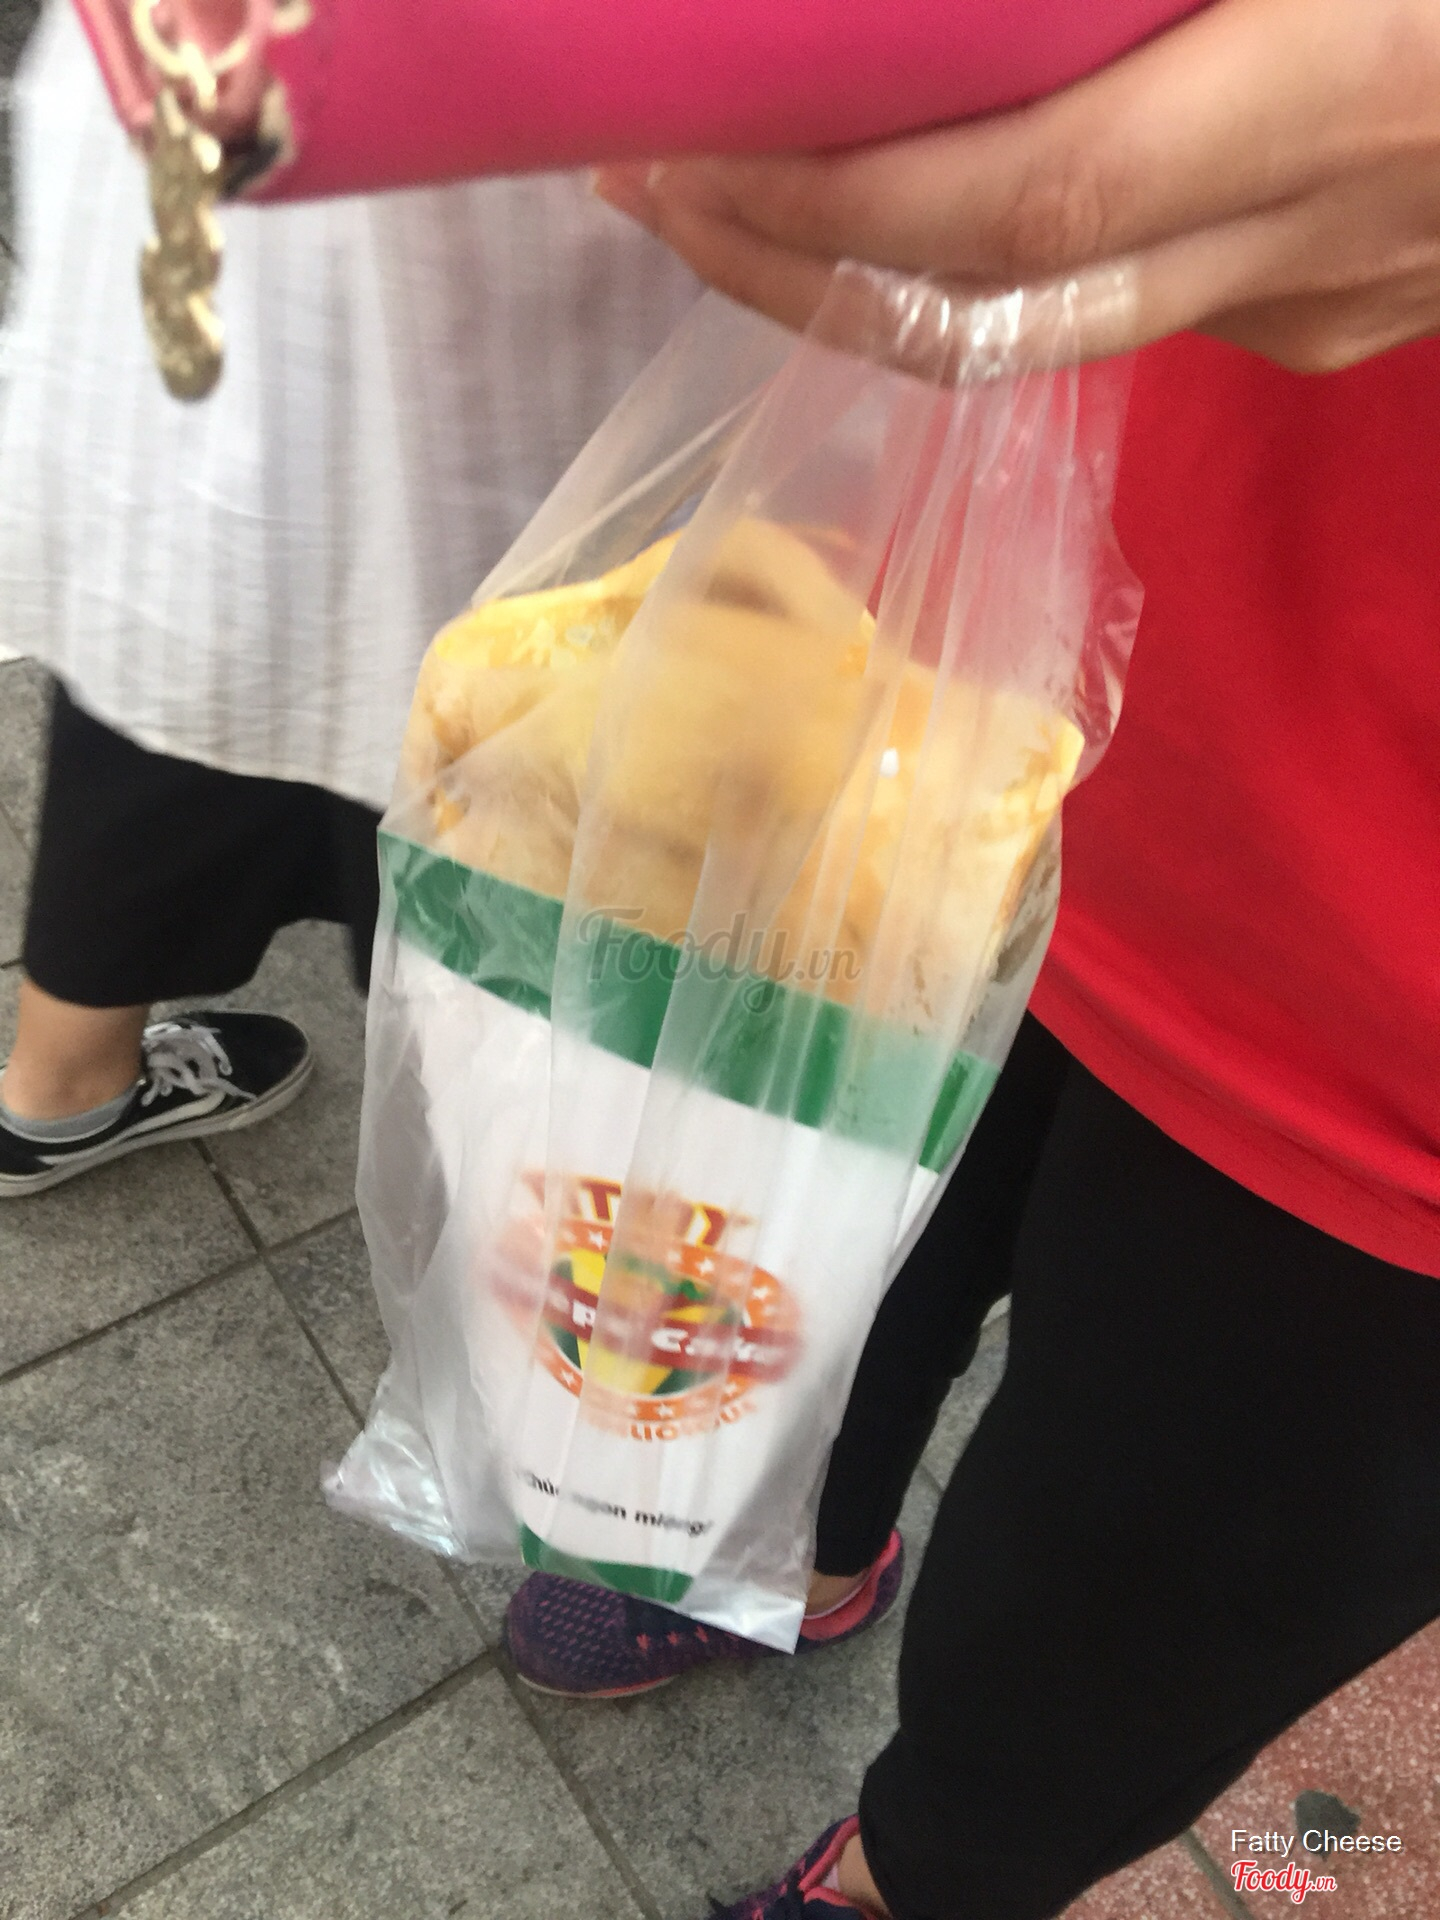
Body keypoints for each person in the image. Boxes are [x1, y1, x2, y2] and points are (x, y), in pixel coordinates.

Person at [498, 1, 1440, 1915]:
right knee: (825, 1291)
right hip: (1010, 672)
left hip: (1369, 1018)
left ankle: (905, 1872)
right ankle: (774, 1555)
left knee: (1113, 1601)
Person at [0, 1, 697, 1196]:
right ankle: (486, 1203)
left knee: (201, 613)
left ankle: (59, 1087)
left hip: (217, 128)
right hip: (549, 188)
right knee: (497, 724)